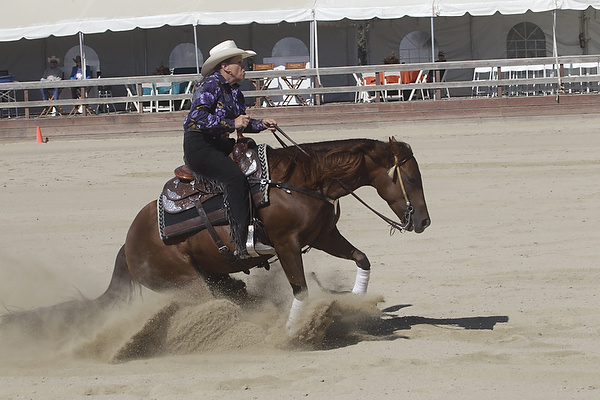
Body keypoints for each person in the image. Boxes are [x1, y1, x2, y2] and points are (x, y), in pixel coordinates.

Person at [183, 40, 278, 259]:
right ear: (225, 67)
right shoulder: (209, 85)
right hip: (200, 146)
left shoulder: (235, 92)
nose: (244, 67)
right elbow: (196, 117)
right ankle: (242, 241)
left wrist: (261, 124)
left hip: (220, 144)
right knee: (235, 178)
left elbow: (240, 122)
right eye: (239, 63)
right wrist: (231, 124)